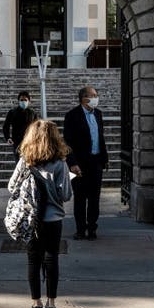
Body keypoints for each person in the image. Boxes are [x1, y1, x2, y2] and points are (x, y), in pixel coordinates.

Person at [11, 119, 73, 308]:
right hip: (53, 218)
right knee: (51, 258)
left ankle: (36, 304)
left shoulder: (25, 160)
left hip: (31, 217)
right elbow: (65, 195)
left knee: (33, 260)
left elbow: (12, 186)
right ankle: (51, 304)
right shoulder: (60, 163)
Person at [63, 86, 108, 240]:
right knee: (80, 198)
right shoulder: (72, 115)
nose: (96, 98)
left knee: (95, 198)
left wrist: (104, 160)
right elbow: (67, 143)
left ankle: (92, 228)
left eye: (96, 95)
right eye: (93, 95)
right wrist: (72, 163)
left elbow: (100, 138)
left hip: (96, 162)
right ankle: (80, 229)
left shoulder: (98, 114)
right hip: (79, 164)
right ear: (84, 98)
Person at [2, 90, 37, 157]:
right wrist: (8, 137)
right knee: (18, 163)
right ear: (18, 101)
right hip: (17, 141)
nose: (23, 102)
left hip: (30, 142)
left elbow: (37, 127)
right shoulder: (12, 112)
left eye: (25, 100)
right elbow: (6, 126)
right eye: (21, 100)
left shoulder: (33, 113)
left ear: (28, 101)